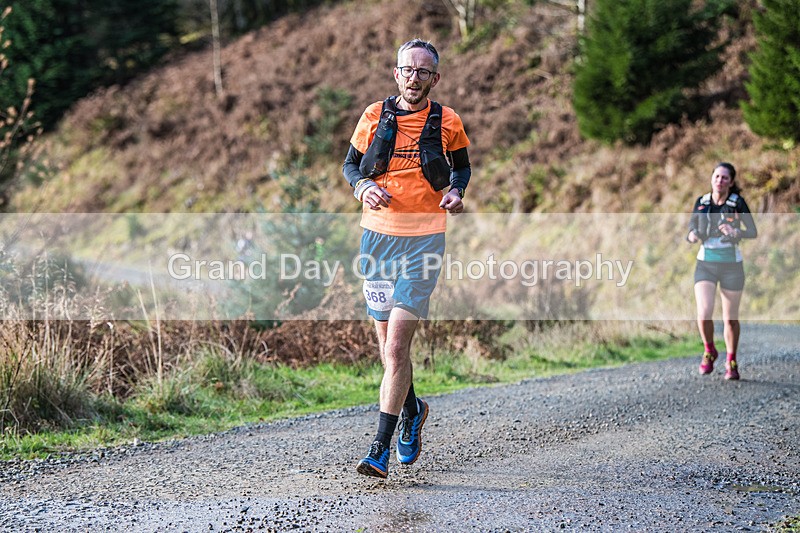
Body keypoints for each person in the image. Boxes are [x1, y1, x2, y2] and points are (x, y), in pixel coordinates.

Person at [342, 38, 471, 478]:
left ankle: (378, 448)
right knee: (386, 348)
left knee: (397, 345)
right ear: (396, 74)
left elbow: (462, 168)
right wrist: (362, 187)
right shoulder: (374, 115)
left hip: (424, 242)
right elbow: (350, 165)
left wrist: (456, 192)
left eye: (423, 71)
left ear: (435, 78)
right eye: (407, 70)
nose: (414, 78)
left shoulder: (447, 120)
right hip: (376, 242)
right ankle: (413, 411)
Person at [687, 162, 757, 380]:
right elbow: (690, 229)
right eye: (717, 176)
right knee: (704, 313)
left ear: (731, 182)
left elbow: (752, 231)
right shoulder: (702, 202)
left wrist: (736, 231)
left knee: (730, 319)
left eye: (725, 178)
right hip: (706, 263)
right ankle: (709, 350)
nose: (720, 181)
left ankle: (731, 360)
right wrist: (692, 236)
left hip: (731, 266)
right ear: (711, 179)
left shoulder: (737, 203)